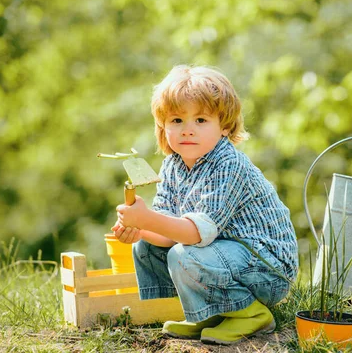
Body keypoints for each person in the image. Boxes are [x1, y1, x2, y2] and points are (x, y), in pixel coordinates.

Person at [112, 65, 299, 345]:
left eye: (200, 120)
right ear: (163, 126)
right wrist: (139, 229)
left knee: (183, 255)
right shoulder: (173, 165)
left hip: (266, 266)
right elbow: (167, 229)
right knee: (146, 248)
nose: (188, 130)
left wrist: (147, 219)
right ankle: (212, 312)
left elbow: (196, 233)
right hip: (223, 256)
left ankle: (252, 314)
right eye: (177, 120)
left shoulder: (228, 163)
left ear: (224, 126)